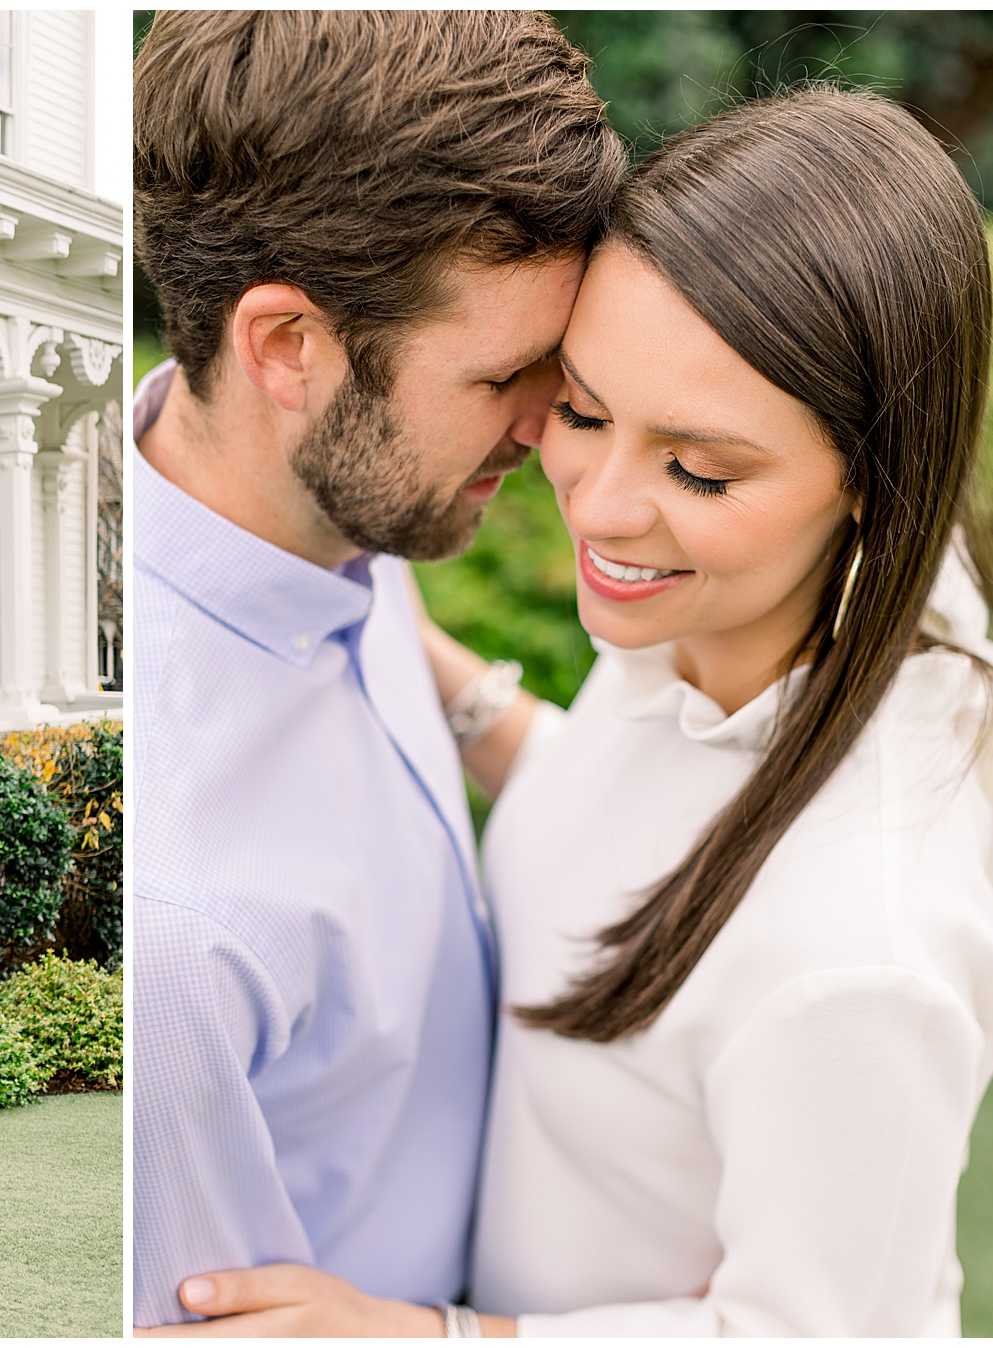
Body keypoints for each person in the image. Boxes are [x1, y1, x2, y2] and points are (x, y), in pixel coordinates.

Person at [145, 87, 993, 1338]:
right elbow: (647, 817)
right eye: (584, 408)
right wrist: (395, 640)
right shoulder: (708, 626)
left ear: (878, 480)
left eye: (701, 469)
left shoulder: (860, 957)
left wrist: (435, 1337)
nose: (599, 507)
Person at [130, 11, 625, 1329]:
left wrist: (471, 701)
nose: (552, 429)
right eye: (507, 376)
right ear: (287, 346)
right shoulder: (175, 927)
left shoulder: (314, 508)